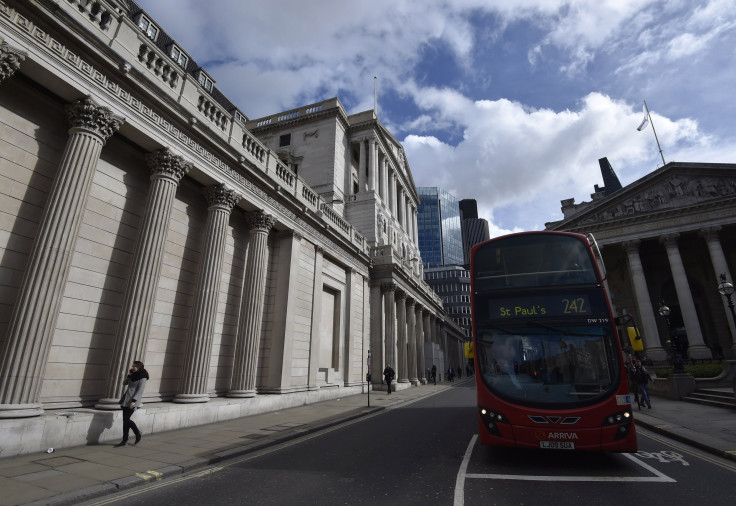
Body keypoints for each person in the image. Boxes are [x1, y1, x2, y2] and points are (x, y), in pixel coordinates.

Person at [115, 360, 149, 447]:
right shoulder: (133, 375)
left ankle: (137, 433)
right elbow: (124, 383)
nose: (133, 367)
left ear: (139, 367)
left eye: (134, 366)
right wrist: (129, 375)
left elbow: (140, 390)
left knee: (126, 420)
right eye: (133, 366)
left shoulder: (143, 377)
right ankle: (124, 440)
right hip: (126, 400)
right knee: (125, 421)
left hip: (133, 401)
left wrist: (133, 401)